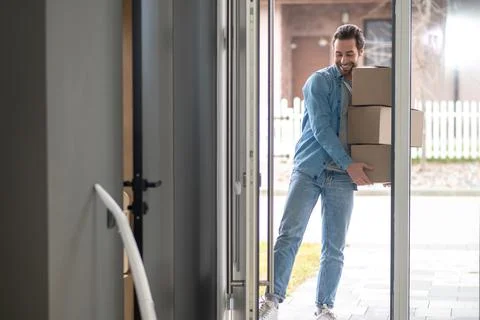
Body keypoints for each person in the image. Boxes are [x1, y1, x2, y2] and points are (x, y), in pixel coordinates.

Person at [259, 24, 374, 320]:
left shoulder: (366, 86)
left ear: (360, 52)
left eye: (349, 53)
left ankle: (325, 308)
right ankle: (271, 299)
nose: (342, 59)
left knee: (334, 246)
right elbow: (322, 130)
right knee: (289, 235)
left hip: (341, 178)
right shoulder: (318, 82)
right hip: (310, 169)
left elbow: (374, 131)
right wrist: (349, 164)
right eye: (337, 53)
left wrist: (381, 168)